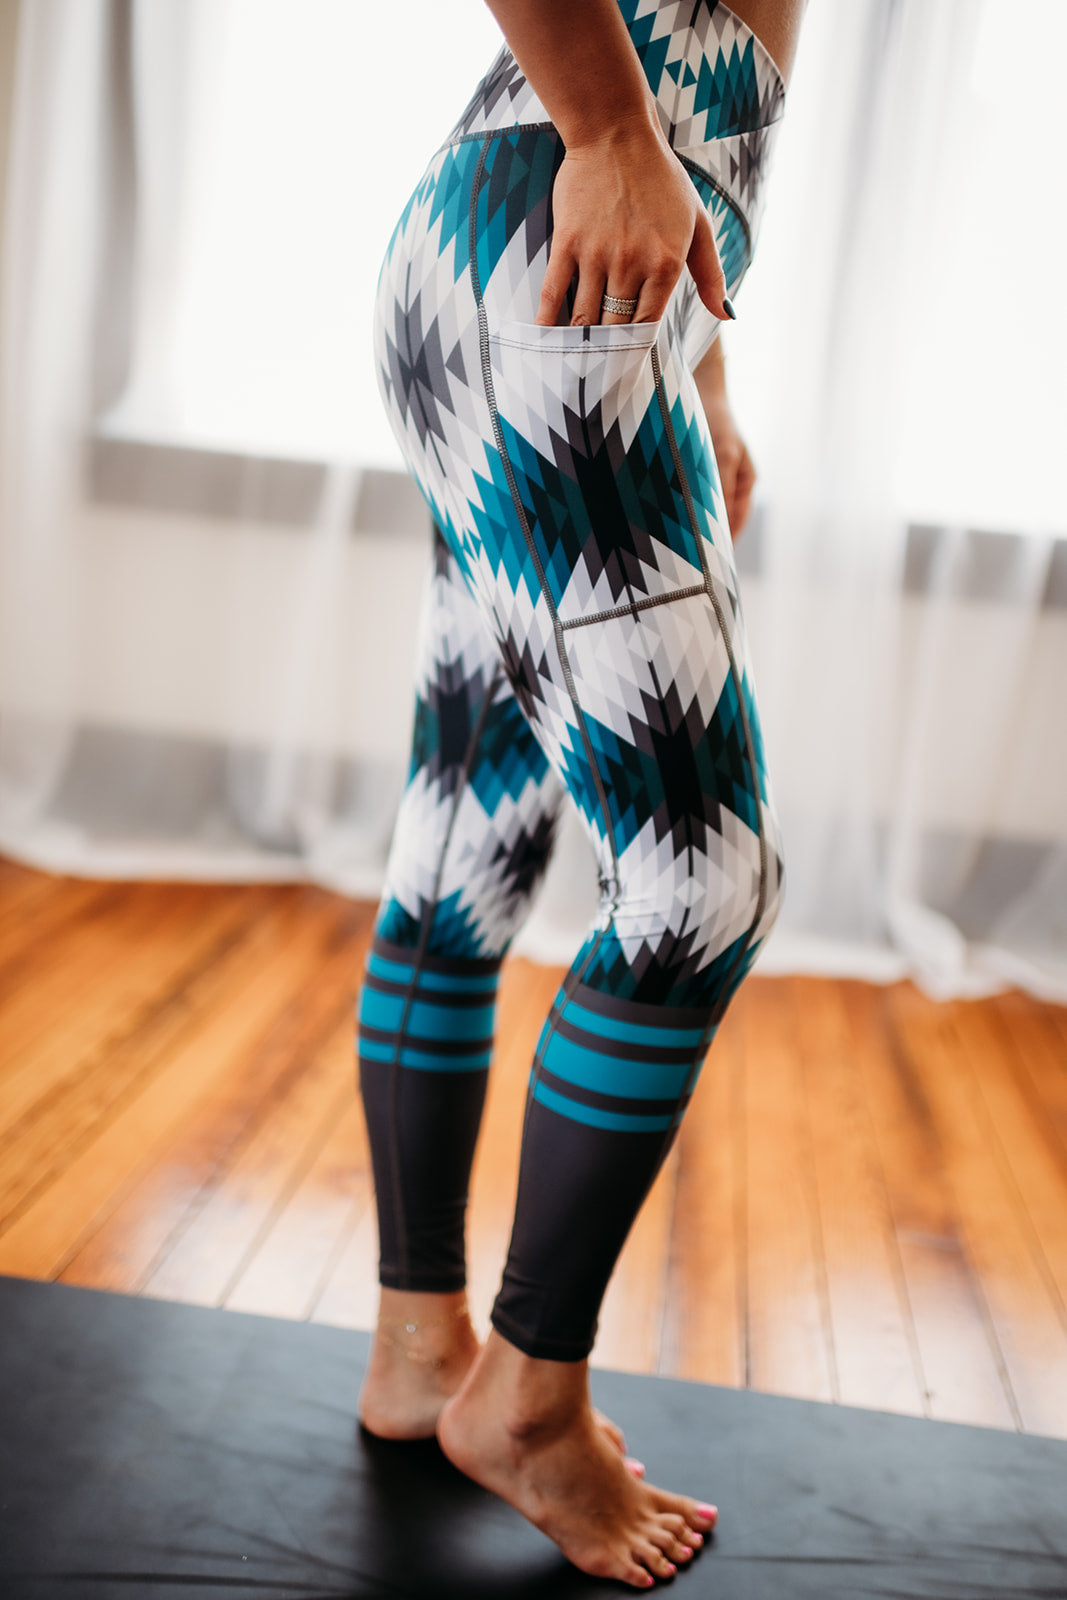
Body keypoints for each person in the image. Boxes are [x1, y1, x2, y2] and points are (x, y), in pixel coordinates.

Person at [356, 0, 806, 1586]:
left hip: (520, 256)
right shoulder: (603, 137)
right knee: (702, 884)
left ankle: (423, 1348)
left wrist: (706, 363)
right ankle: (530, 1402)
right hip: (559, 241)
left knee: (466, 843)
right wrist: (612, 132)